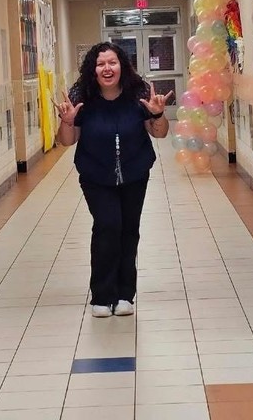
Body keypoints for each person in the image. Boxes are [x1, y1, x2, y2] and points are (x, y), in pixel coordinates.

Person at [55, 42, 172, 318]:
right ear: (92, 70)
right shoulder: (81, 96)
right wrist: (68, 121)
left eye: (112, 63)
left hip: (134, 173)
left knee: (129, 230)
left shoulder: (138, 94)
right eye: (100, 64)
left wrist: (157, 114)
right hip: (96, 175)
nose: (107, 68)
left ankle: (124, 295)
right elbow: (66, 142)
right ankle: (101, 294)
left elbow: (160, 134)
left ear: (122, 65)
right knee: (108, 225)